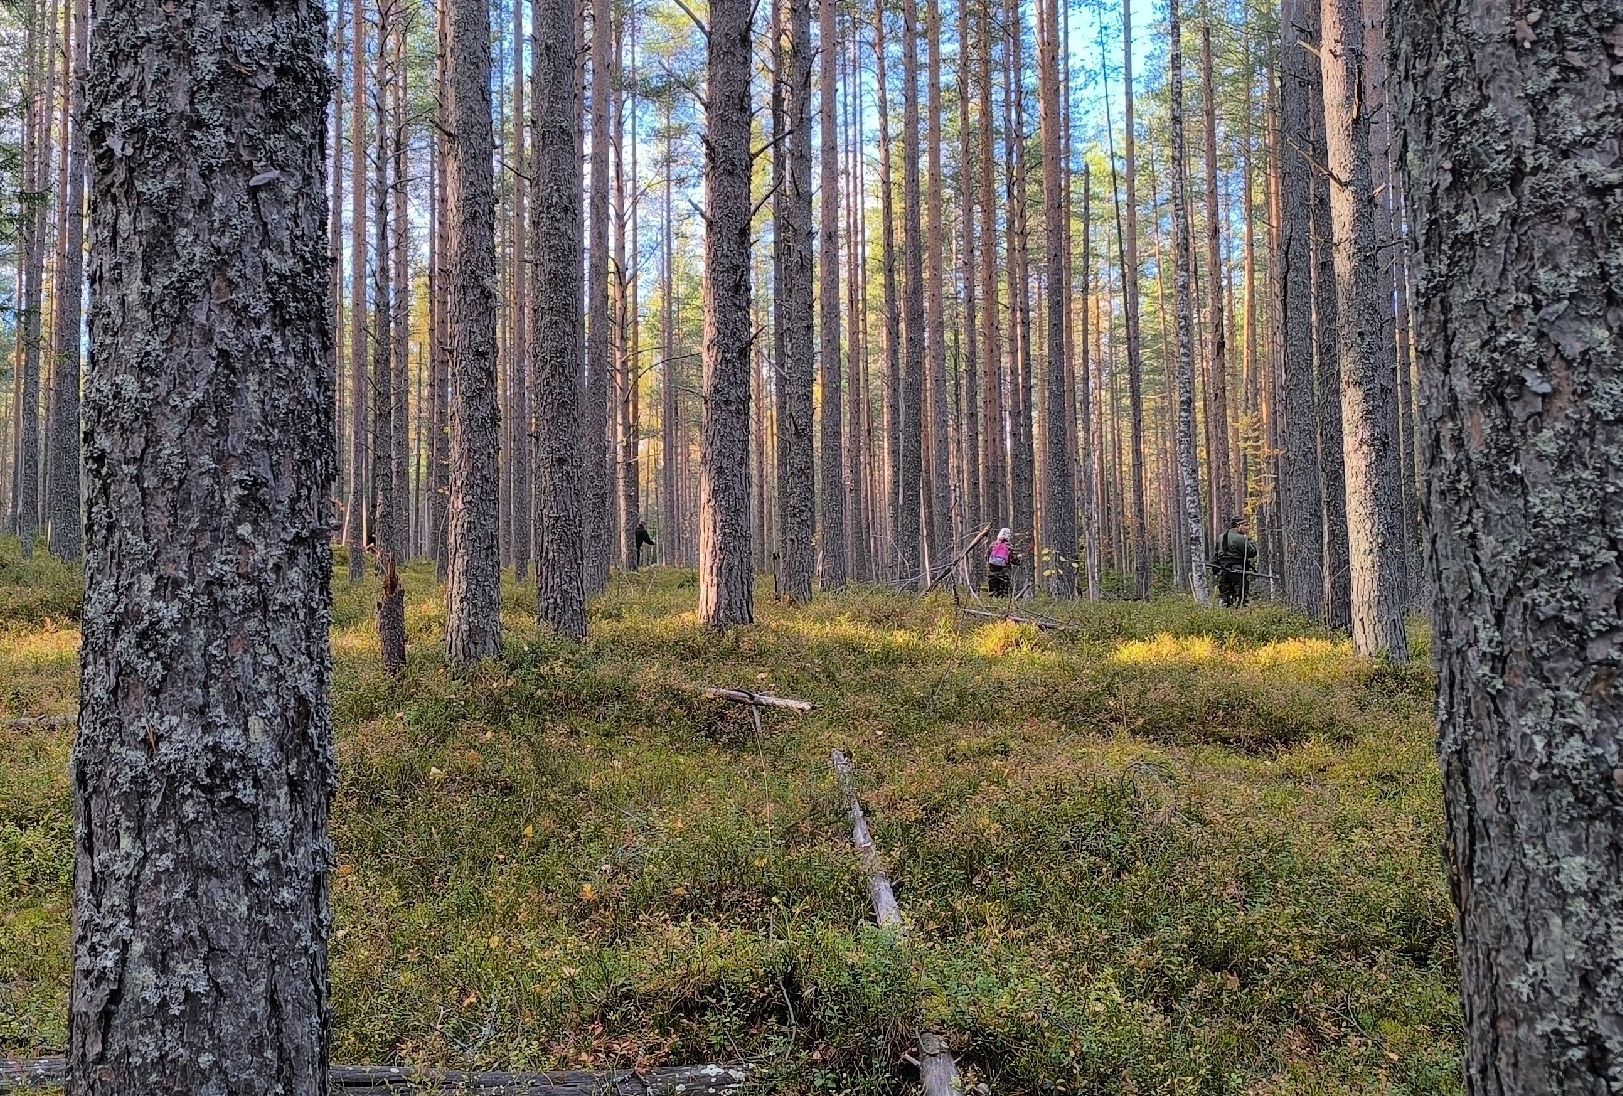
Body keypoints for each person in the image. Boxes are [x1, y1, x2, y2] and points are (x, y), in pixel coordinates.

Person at [1210, 514, 1259, 607]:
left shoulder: (1221, 537)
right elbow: (1252, 552)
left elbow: (1216, 553)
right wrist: (1248, 540)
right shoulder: (1240, 538)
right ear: (1238, 525)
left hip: (1222, 571)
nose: (1247, 528)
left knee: (1225, 596)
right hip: (1237, 571)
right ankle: (1240, 612)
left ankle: (1223, 612)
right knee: (1241, 596)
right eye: (1245, 525)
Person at [987, 527, 1019, 597]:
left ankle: (992, 601)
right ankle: (1003, 602)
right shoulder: (1009, 547)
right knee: (1003, 593)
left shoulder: (992, 545)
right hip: (1004, 573)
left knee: (993, 592)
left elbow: (987, 557)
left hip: (992, 572)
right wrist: (1019, 560)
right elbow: (1013, 560)